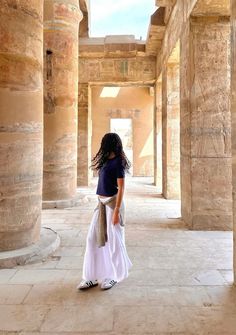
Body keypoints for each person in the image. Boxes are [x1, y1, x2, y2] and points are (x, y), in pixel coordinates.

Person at [77, 133, 132, 290]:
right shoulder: (105, 161)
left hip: (112, 205)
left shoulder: (118, 162)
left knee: (114, 243)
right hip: (101, 205)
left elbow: (121, 188)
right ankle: (90, 277)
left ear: (109, 144)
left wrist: (116, 212)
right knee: (92, 239)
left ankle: (114, 276)